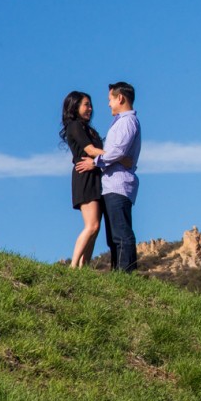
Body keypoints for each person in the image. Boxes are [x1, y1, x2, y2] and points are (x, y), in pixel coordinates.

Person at [75, 82, 142, 272]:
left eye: (110, 99)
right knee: (114, 236)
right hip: (112, 184)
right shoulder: (122, 122)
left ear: (120, 98)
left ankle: (126, 274)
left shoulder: (127, 122)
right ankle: (119, 273)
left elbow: (117, 151)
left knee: (121, 234)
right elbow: (118, 153)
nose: (108, 104)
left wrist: (94, 162)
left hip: (118, 184)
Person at [60, 91, 116, 266]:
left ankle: (83, 267)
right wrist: (117, 156)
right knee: (92, 225)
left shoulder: (88, 129)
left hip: (95, 175)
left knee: (95, 227)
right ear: (75, 106)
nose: (90, 109)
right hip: (84, 176)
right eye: (86, 105)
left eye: (90, 105)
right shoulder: (75, 126)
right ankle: (73, 266)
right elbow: (90, 151)